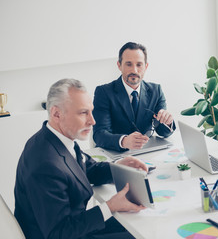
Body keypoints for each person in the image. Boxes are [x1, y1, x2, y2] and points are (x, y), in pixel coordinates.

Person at [14, 79, 148, 239]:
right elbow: (58, 233)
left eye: (91, 111)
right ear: (56, 114)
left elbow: (87, 169)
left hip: (77, 226)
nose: (93, 121)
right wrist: (110, 206)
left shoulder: (57, 139)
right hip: (68, 233)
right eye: (83, 113)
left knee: (141, 224)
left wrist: (118, 166)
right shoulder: (45, 163)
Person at [93, 42, 175, 152]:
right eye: (128, 64)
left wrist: (167, 122)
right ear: (119, 65)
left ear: (146, 66)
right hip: (115, 154)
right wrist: (124, 141)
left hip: (145, 153)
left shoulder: (156, 91)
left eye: (139, 65)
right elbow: (99, 134)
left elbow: (163, 132)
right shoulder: (103, 92)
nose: (134, 70)